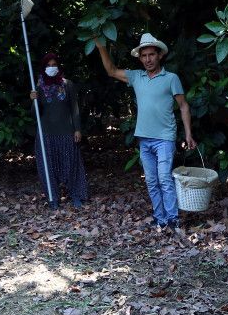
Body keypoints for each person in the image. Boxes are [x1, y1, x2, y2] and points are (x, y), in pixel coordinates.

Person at [94, 32, 195, 230]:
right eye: (144, 56)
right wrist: (101, 47)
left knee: (164, 179)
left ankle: (173, 220)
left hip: (165, 138)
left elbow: (184, 106)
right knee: (151, 181)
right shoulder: (136, 76)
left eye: (151, 55)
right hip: (144, 139)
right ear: (140, 58)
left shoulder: (171, 78)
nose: (148, 59)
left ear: (159, 56)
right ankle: (160, 219)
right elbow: (112, 71)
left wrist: (189, 133)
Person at [28, 51, 89, 208]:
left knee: (72, 165)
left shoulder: (67, 84)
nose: (51, 68)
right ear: (43, 68)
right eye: (48, 66)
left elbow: (74, 109)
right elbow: (35, 114)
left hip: (66, 132)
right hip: (46, 134)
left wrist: (77, 129)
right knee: (48, 167)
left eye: (54, 65)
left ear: (59, 66)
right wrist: (33, 100)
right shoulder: (39, 87)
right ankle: (53, 198)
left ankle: (76, 195)